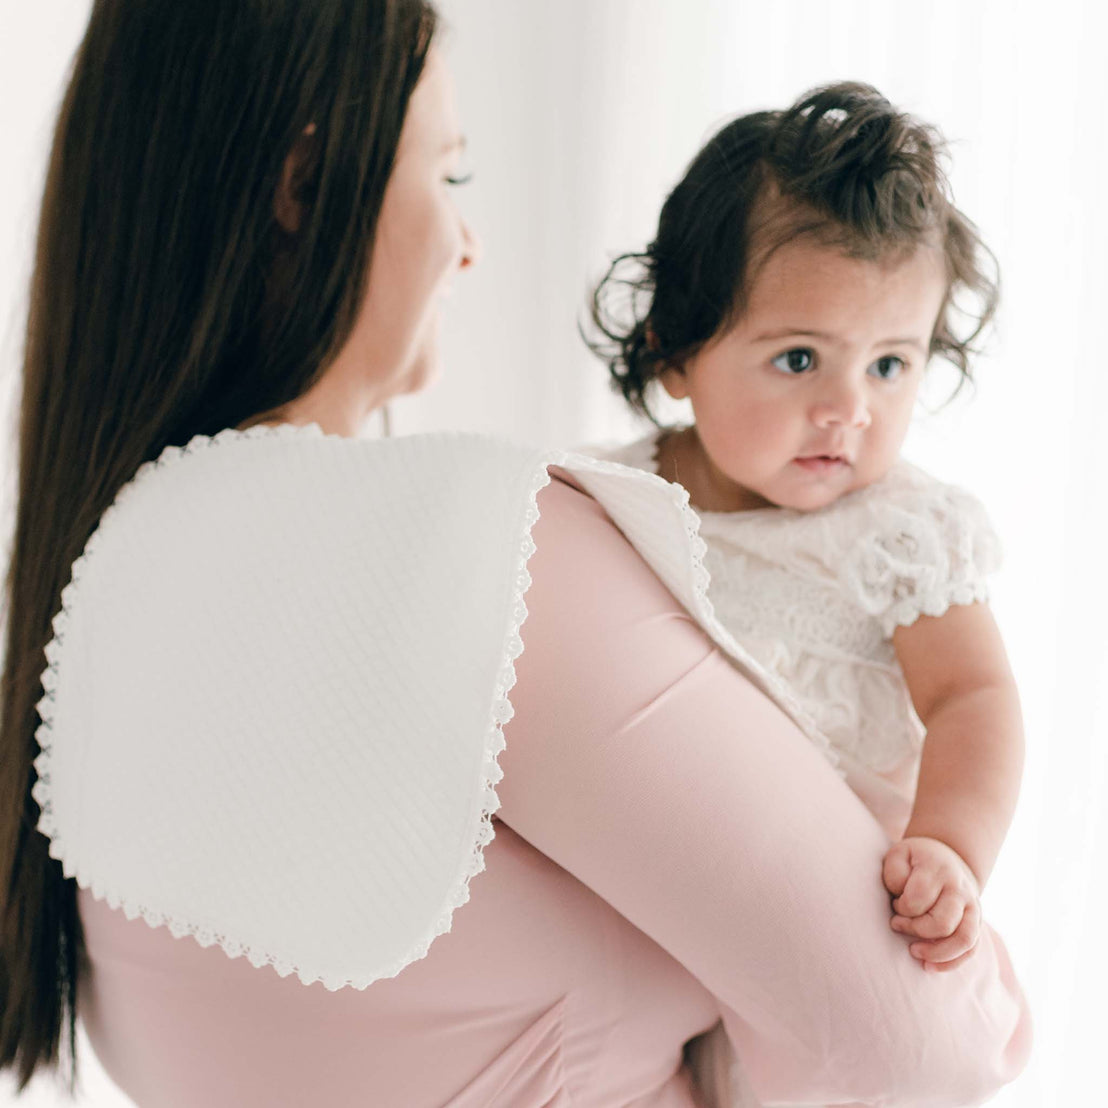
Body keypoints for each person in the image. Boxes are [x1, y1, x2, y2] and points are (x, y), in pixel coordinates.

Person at [0, 5, 1029, 1107]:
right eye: (450, 176)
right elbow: (917, 1042)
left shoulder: (102, 592)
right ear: (305, 185)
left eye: (891, 362)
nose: (468, 240)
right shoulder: (497, 557)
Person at [586, 85, 1024, 1104]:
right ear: (675, 348)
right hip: (665, 913)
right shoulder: (609, 498)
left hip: (850, 915)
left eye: (888, 365)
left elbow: (974, 698)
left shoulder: (900, 530)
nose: (847, 410)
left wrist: (948, 850)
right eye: (797, 359)